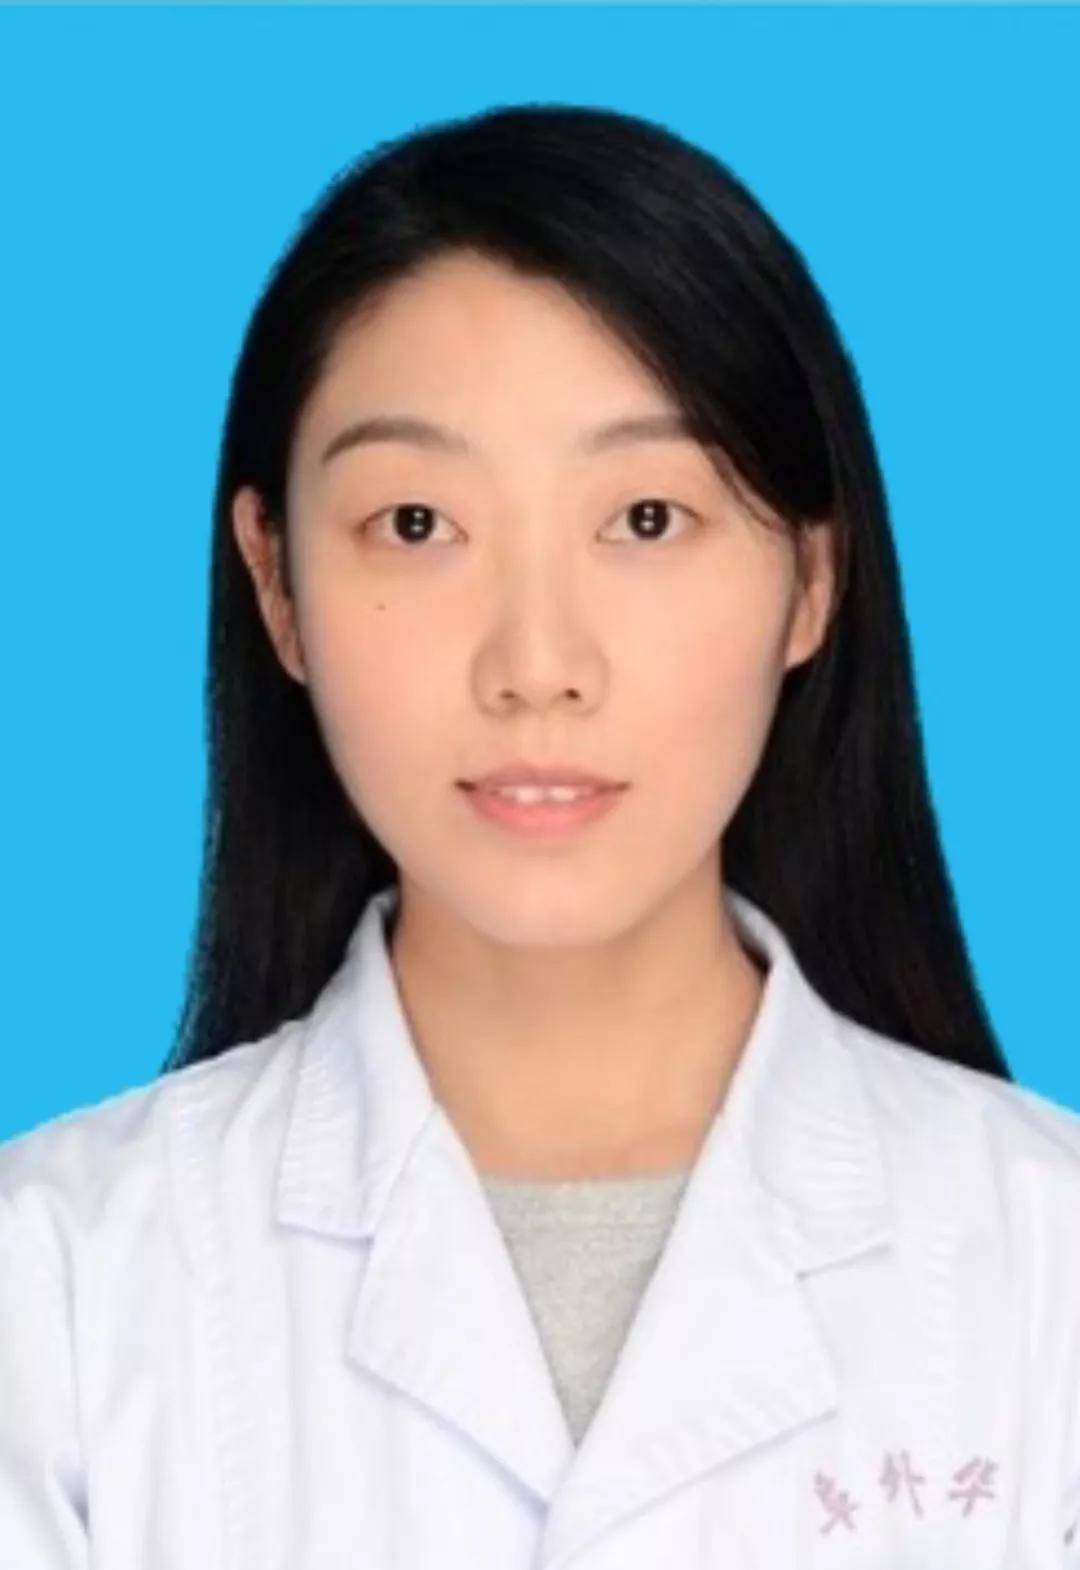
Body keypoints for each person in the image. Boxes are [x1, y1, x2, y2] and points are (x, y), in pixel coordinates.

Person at [2, 101, 1079, 1568]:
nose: (537, 663)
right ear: (276, 583)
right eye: (417, 524)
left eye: (646, 518)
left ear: (813, 582)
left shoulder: (1045, 1274)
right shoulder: (52, 1291)